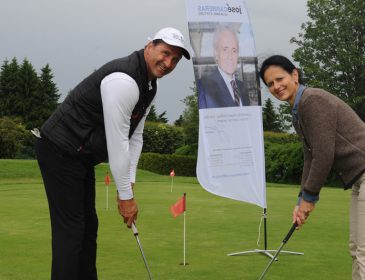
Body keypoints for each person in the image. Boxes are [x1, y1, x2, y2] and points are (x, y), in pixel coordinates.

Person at [35, 27, 190, 280]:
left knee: (88, 228)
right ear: (149, 46)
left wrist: (129, 183)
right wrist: (125, 197)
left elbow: (135, 135)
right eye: (165, 53)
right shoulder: (124, 81)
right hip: (59, 150)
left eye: (175, 59)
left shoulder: (149, 86)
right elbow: (118, 143)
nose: (169, 62)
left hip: (79, 157)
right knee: (72, 231)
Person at [259, 55, 365, 280]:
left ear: (294, 75)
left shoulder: (312, 101)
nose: (276, 87)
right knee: (356, 248)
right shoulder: (298, 111)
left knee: (364, 251)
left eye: (280, 79)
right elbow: (310, 156)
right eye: (270, 84)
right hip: (359, 179)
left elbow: (324, 155)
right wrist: (302, 200)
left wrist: (310, 198)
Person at [198, 24, 250, 109]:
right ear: (216, 53)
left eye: (234, 50)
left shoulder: (243, 86)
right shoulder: (204, 86)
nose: (230, 56)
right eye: (225, 49)